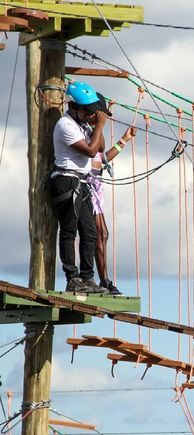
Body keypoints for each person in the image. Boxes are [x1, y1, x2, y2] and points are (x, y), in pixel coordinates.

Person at [50, 81, 111, 294]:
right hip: (67, 180)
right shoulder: (65, 125)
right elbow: (90, 151)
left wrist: (96, 125)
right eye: (87, 111)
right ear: (73, 107)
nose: (89, 115)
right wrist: (100, 126)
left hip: (83, 182)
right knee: (69, 231)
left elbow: (101, 147)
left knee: (90, 232)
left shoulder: (83, 125)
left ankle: (87, 277)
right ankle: (73, 277)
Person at [86, 93, 136, 295]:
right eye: (102, 114)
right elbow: (91, 154)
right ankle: (101, 279)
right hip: (87, 184)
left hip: (96, 184)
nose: (104, 118)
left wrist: (124, 140)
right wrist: (99, 126)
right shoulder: (88, 130)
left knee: (102, 234)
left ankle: (104, 279)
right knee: (98, 233)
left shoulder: (93, 130)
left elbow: (102, 159)